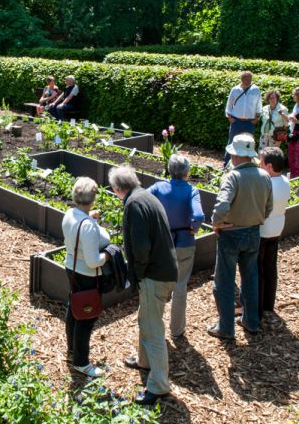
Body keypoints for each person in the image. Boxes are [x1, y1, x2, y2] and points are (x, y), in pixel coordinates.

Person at [109, 164, 177, 406]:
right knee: (146, 317)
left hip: (154, 274)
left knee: (152, 329)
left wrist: (134, 277)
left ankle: (158, 385)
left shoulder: (134, 205)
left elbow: (140, 249)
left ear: (118, 188)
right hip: (164, 270)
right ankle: (144, 360)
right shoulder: (146, 195)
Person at [208, 134, 273, 340]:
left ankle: (226, 328)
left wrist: (217, 224)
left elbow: (222, 206)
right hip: (254, 233)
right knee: (250, 277)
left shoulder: (232, 177)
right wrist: (256, 218)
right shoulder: (264, 176)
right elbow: (269, 207)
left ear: (235, 155)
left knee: (224, 281)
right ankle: (251, 321)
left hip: (231, 235)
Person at [147, 154, 205, 339]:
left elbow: (141, 200)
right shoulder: (192, 191)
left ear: (169, 170)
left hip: (163, 244)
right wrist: (193, 228)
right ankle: (177, 330)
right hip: (185, 243)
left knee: (159, 286)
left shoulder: (158, 188)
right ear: (187, 172)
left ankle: (155, 327)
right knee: (180, 287)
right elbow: (199, 216)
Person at [63, 177, 109, 378]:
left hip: (70, 267)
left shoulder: (70, 214)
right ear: (92, 198)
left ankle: (72, 347)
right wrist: (109, 255)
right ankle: (81, 362)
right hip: (87, 274)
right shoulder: (88, 226)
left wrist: (90, 217)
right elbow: (93, 261)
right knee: (86, 316)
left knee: (74, 306)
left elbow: (80, 230)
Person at [258, 147, 290, 321]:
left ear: (269, 166)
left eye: (261, 162)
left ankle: (257, 307)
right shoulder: (285, 181)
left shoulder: (267, 184)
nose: (259, 165)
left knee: (258, 269)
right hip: (277, 229)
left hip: (263, 231)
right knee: (270, 267)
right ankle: (268, 304)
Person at [224, 71, 262, 166]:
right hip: (236, 121)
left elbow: (259, 105)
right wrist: (229, 117)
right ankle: (227, 164)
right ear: (241, 79)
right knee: (232, 142)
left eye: (249, 79)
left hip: (249, 122)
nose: (247, 81)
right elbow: (229, 105)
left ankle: (248, 164)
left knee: (249, 143)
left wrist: (256, 118)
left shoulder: (256, 90)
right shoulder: (235, 89)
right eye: (245, 79)